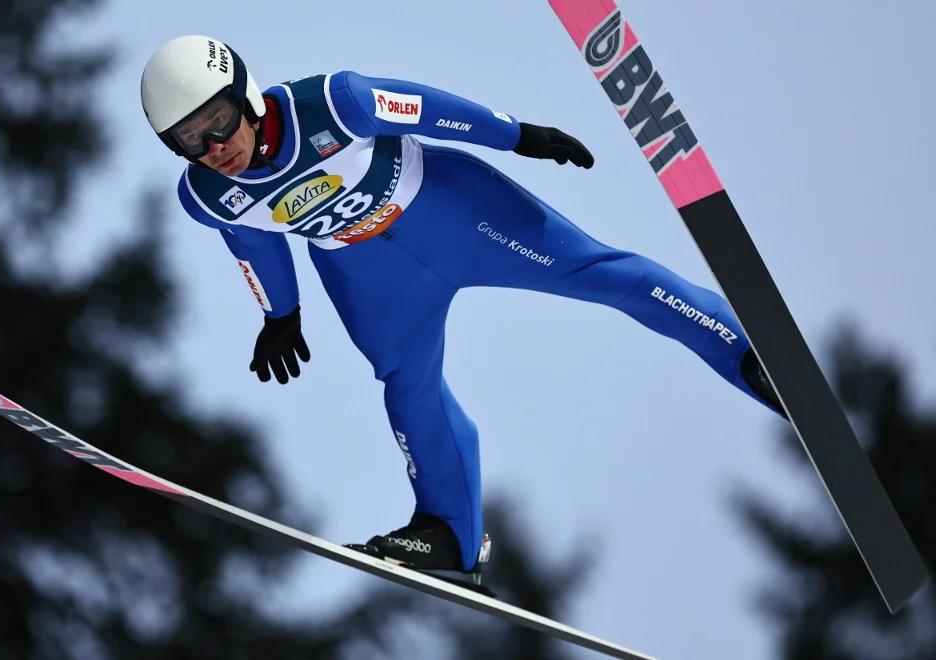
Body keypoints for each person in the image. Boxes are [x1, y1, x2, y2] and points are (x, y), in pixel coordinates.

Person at [140, 35, 783, 585]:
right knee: (408, 388)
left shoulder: (334, 102)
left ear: (246, 95)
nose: (212, 147)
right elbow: (253, 242)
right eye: (187, 140)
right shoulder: (207, 194)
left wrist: (516, 135)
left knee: (600, 275)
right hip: (367, 274)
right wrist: (280, 314)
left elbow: (424, 109)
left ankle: (745, 351)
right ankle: (451, 535)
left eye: (218, 122)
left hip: (453, 212)